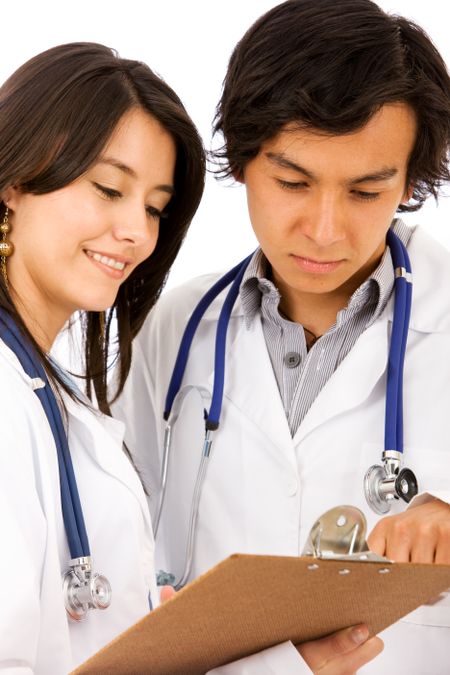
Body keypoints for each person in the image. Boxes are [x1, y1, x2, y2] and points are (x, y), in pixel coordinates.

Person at [0, 40, 375, 675]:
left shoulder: (46, 389)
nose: (138, 233)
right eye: (109, 189)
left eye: (154, 207)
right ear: (12, 182)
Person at [114, 1, 450, 673]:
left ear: (409, 181)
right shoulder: (172, 332)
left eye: (364, 191)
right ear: (240, 161)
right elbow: (118, 564)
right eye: (292, 181)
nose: (325, 229)